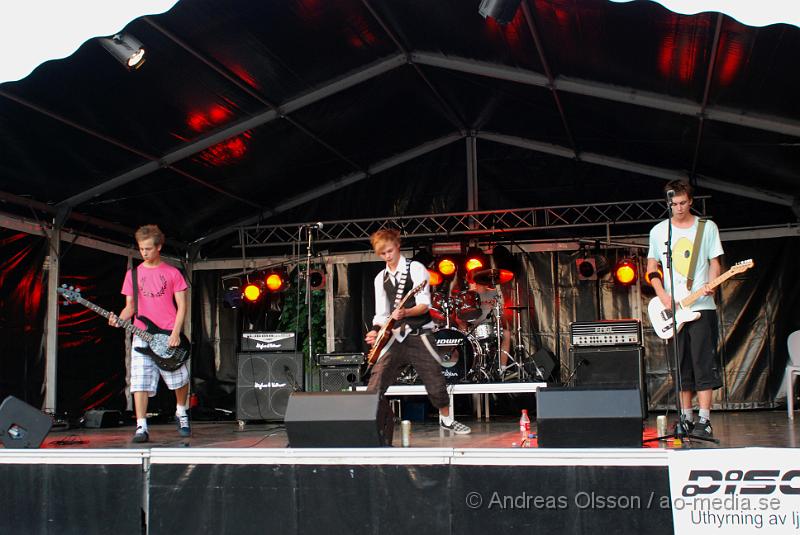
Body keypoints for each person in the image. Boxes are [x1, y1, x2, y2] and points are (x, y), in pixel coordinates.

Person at [365, 229, 471, 435]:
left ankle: (446, 420)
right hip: (394, 337)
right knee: (377, 379)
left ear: (397, 245)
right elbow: (381, 313)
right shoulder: (381, 278)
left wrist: (406, 311)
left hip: (419, 334)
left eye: (389, 251)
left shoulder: (415, 269)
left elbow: (424, 304)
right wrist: (376, 331)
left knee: (434, 380)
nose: (387, 256)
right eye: (382, 253)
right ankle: (366, 423)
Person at [647, 180, 724, 439]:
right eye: (673, 203)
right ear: (667, 203)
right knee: (681, 367)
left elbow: (715, 263)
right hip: (673, 308)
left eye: (682, 203)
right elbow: (651, 268)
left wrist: (711, 283)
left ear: (690, 201)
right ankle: (686, 416)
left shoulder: (707, 228)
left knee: (703, 362)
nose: (678, 208)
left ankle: (705, 419)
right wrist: (662, 294)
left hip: (701, 306)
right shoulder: (659, 231)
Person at [109, 225, 190, 443]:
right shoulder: (132, 275)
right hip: (142, 336)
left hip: (168, 334)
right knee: (139, 382)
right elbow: (130, 307)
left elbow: (182, 306)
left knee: (179, 379)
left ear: (159, 247)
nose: (144, 252)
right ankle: (141, 426)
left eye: (147, 248)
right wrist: (120, 318)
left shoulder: (173, 273)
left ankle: (181, 411)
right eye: (141, 249)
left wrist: (176, 333)